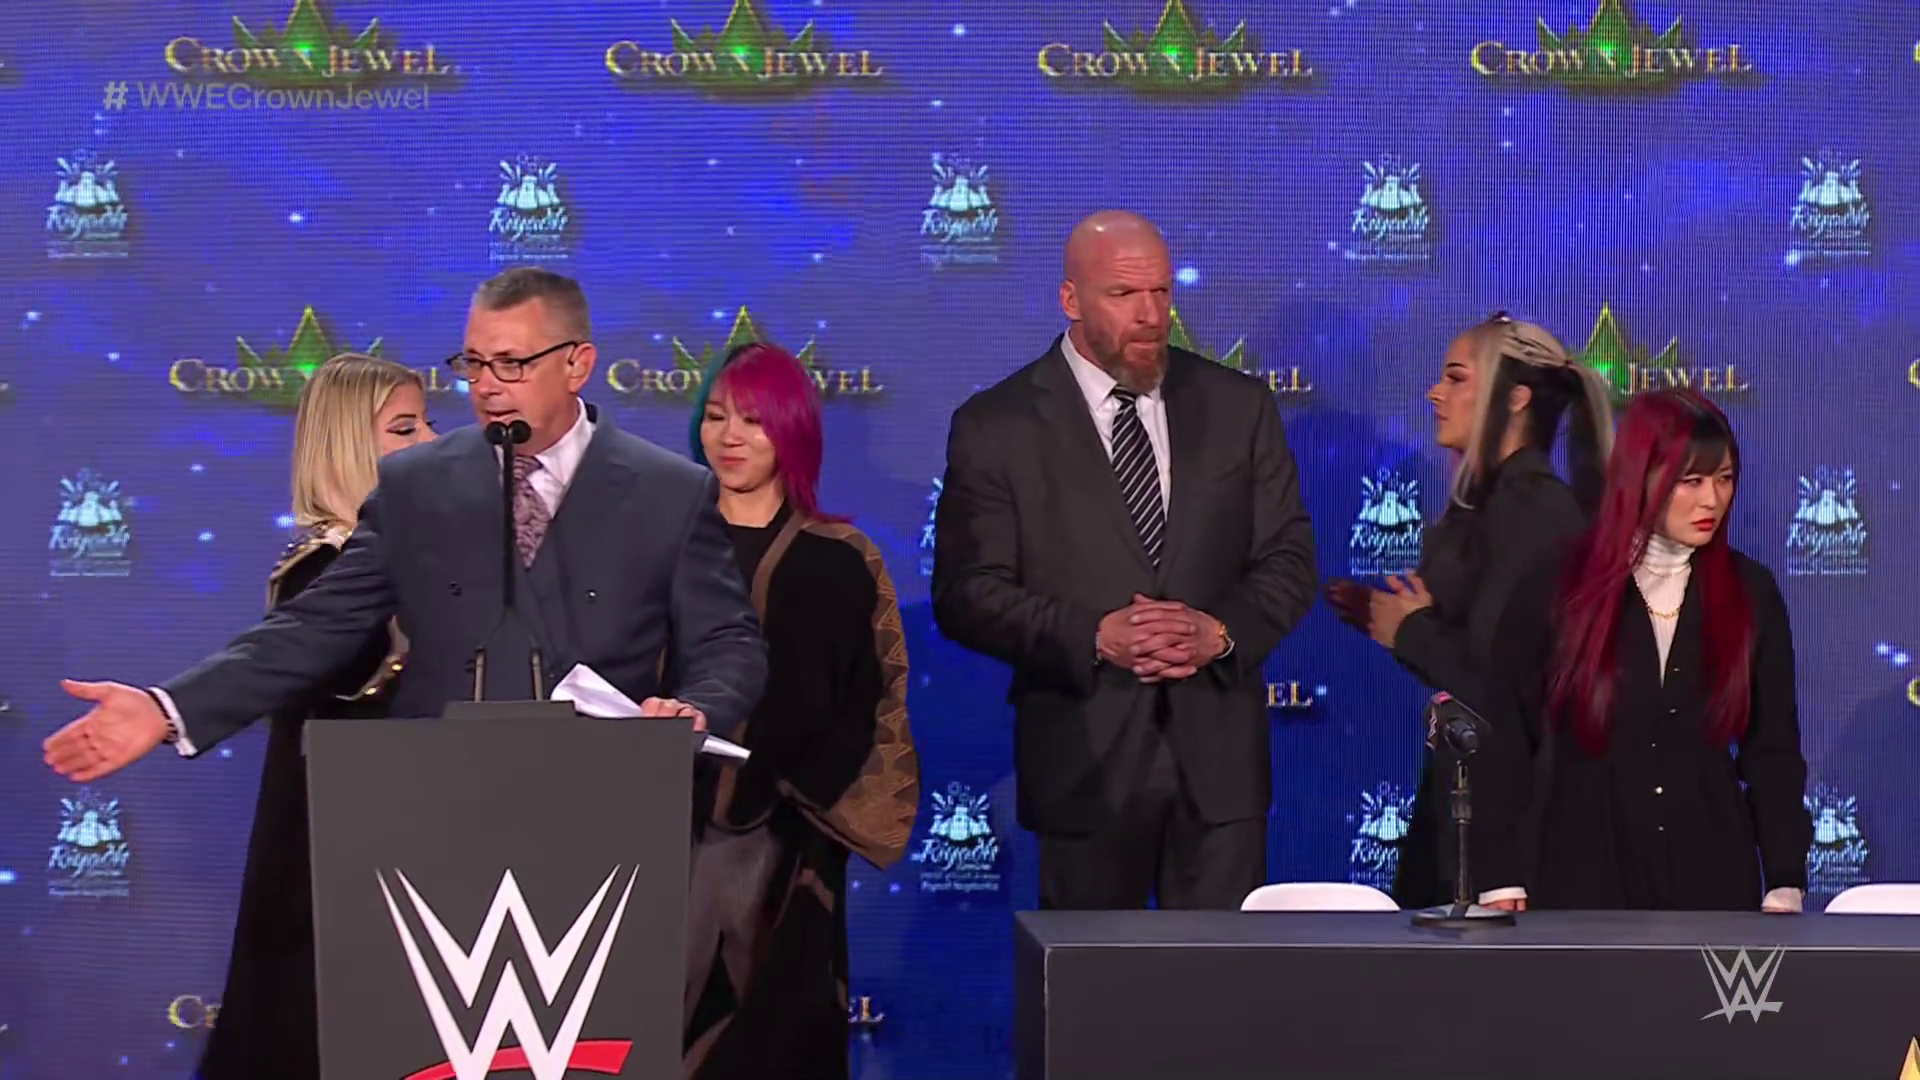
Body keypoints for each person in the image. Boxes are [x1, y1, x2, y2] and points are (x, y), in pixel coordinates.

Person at [43, 266, 765, 786]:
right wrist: (168, 708)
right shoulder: (417, 484)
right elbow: (312, 627)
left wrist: (696, 708)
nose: (486, 386)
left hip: (602, 804)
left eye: (511, 364)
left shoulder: (670, 492)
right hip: (431, 810)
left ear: (577, 365)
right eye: (474, 363)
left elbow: (727, 641)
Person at [932, 210, 1317, 911]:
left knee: (1223, 974)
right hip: (1083, 764)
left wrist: (1220, 632)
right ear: (1071, 299)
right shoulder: (997, 425)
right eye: (1124, 294)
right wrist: (1092, 635)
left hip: (1219, 773)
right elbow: (967, 592)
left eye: (1162, 292)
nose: (1150, 315)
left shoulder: (1238, 406)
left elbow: (1287, 557)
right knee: (1090, 977)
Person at [1471, 389, 1811, 912]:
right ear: (1640, 477)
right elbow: (1507, 736)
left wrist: (1785, 877)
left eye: (1724, 479)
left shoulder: (1751, 593)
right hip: (1582, 876)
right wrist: (1500, 876)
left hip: (1713, 880)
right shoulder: (1560, 583)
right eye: (1691, 481)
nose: (1712, 500)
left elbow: (1773, 751)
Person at [681, 343, 918, 1080]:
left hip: (794, 845)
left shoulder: (842, 557)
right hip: (665, 837)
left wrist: (800, 801)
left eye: (752, 420)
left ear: (792, 429)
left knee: (782, 1038)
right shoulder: (664, 544)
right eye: (715, 416)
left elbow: (873, 701)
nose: (729, 437)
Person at [1324, 313, 1612, 908]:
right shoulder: (1498, 507)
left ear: (1515, 398)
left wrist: (1411, 631)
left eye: (1456, 378)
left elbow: (1505, 685)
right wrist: (1407, 625)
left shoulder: (1532, 513)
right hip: (1467, 799)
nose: (1435, 393)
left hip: (1509, 825)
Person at [198, 353, 434, 1080]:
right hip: (332, 856)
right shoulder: (325, 569)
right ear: (347, 445)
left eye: (426, 422)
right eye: (405, 428)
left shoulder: (405, 558)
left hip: (403, 841)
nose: (432, 441)